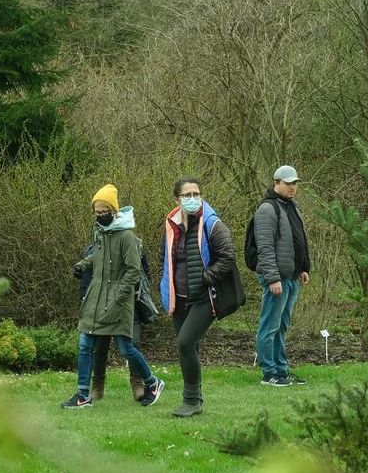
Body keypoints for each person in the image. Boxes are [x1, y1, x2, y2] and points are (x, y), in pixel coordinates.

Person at [63, 184, 165, 409]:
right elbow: (98, 256)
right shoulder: (100, 232)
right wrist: (83, 264)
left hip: (118, 301)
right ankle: (82, 394)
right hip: (95, 298)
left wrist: (119, 295)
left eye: (103, 211)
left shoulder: (127, 236)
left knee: (126, 349)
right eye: (97, 212)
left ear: (114, 210)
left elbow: (134, 271)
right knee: (84, 345)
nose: (100, 215)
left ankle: (152, 382)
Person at [160, 177, 236, 417]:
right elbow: (167, 262)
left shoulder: (212, 224)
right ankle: (196, 400)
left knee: (184, 342)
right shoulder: (171, 224)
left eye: (196, 194)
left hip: (205, 297)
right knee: (188, 348)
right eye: (187, 195)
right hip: (180, 297)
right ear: (177, 199)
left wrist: (205, 278)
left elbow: (228, 258)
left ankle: (191, 400)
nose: (193, 199)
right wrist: (166, 292)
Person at [253, 165, 311, 387]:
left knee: (282, 325)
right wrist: (272, 278)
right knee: (269, 326)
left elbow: (298, 241)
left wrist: (304, 268)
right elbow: (265, 247)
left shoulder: (291, 207)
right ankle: (269, 373)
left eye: (295, 183)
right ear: (276, 183)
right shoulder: (268, 209)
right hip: (277, 279)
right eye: (288, 183)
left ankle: (282, 370)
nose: (292, 187)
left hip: (292, 277)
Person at [75, 240, 151, 403]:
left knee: (132, 345)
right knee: (99, 349)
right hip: (101, 309)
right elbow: (86, 282)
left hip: (129, 308)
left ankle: (138, 384)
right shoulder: (94, 249)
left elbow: (144, 276)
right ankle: (97, 385)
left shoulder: (136, 246)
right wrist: (85, 302)